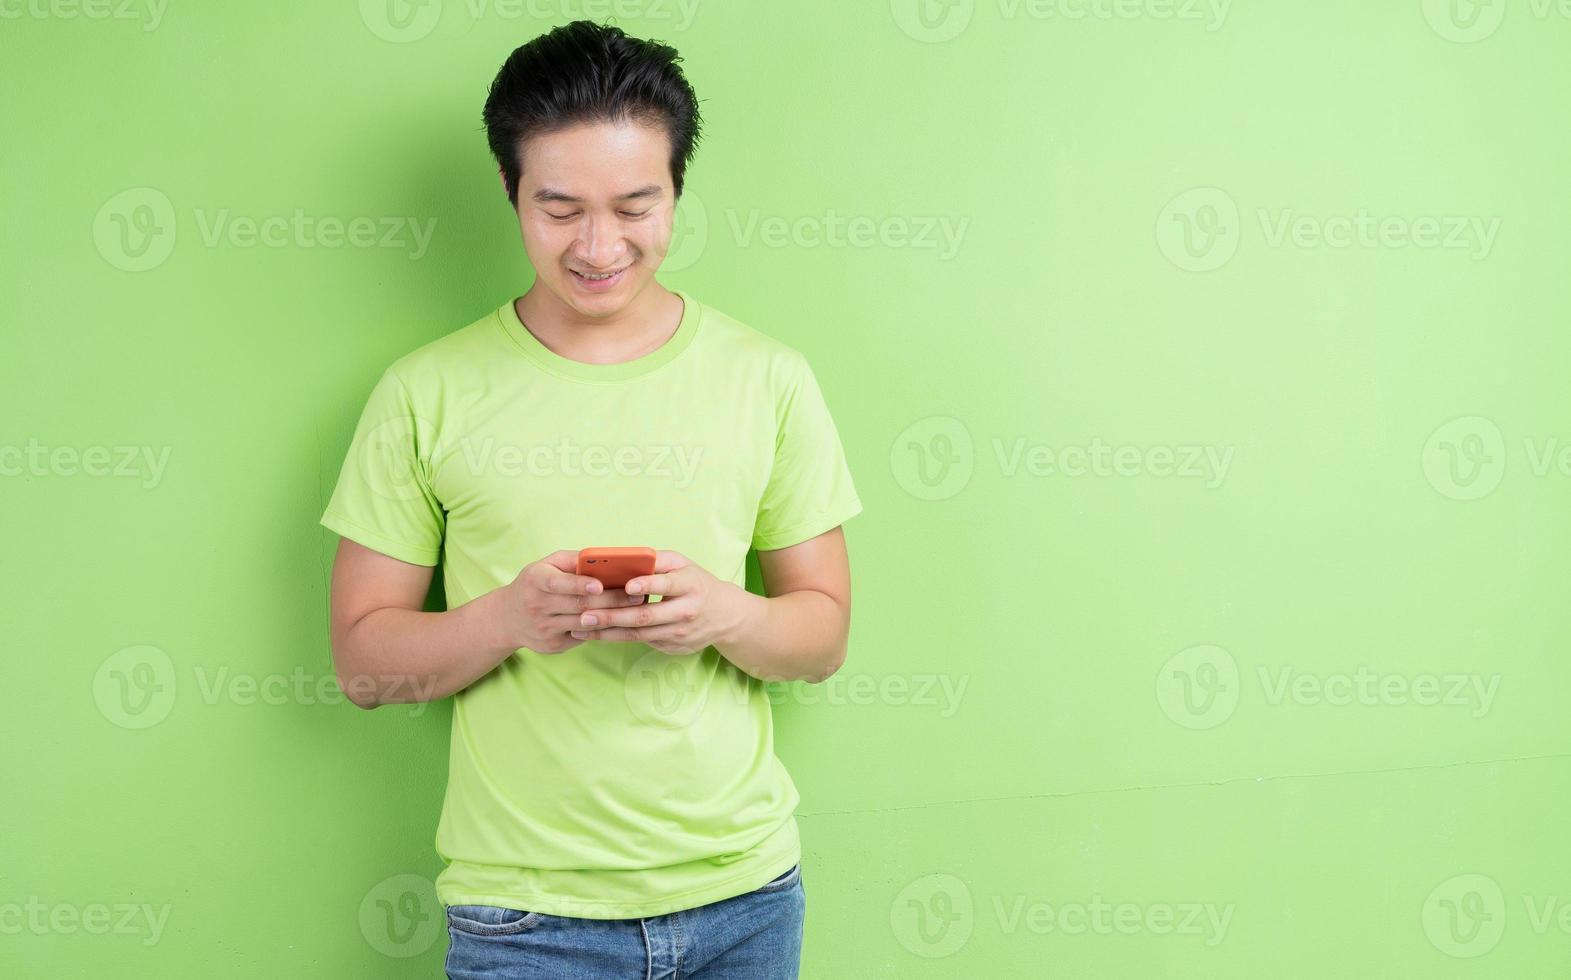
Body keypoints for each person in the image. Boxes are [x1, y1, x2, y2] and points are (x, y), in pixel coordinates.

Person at [319, 19, 862, 978]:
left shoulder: (768, 379)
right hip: (524, 920)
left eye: (636, 206)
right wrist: (508, 616)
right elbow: (365, 667)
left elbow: (820, 640)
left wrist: (721, 613)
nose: (600, 245)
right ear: (510, 192)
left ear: (677, 190)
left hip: (745, 899)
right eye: (559, 208)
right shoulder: (424, 392)